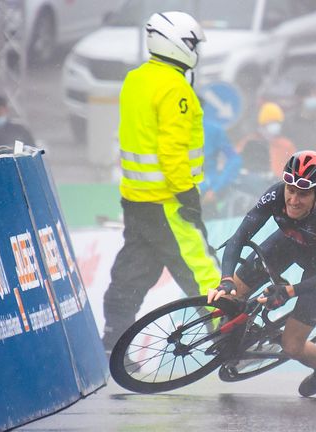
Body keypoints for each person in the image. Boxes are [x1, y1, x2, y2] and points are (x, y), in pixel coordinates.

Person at [101, 11, 223, 353]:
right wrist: (186, 192)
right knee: (200, 268)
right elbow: (172, 150)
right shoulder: (175, 89)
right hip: (168, 199)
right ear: (178, 44)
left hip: (136, 199)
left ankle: (113, 336)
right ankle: (226, 330)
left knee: (133, 271)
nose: (196, 50)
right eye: (192, 44)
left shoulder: (136, 80)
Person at [207, 150, 316, 397]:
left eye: (302, 193)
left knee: (292, 347)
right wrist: (226, 279)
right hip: (286, 244)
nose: (293, 199)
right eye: (290, 189)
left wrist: (290, 291)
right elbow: (239, 236)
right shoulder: (275, 194)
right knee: (230, 296)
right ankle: (243, 336)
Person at [199, 97, 242, 218]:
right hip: (181, 196)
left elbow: (234, 159)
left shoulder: (213, 131)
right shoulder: (172, 130)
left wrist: (216, 188)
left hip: (206, 196)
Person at [282, 81, 316, 165]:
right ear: (299, 98)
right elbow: (283, 150)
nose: (314, 99)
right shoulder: (289, 123)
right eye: (310, 96)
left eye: (315, 95)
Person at [236, 102, 296, 177]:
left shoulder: (286, 145)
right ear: (262, 125)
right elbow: (236, 161)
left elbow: (295, 169)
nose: (275, 126)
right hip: (255, 183)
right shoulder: (249, 143)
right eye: (272, 123)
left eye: (277, 123)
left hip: (279, 185)